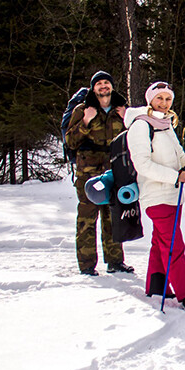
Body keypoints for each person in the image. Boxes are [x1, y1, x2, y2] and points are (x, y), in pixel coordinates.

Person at [125, 81, 185, 312]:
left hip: (173, 194)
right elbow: (142, 164)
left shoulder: (165, 123)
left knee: (161, 241)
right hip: (155, 195)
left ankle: (157, 285)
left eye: (168, 98)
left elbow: (179, 156)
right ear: (150, 99)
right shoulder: (141, 125)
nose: (163, 102)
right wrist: (175, 176)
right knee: (174, 244)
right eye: (159, 98)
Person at [65, 70, 131, 276]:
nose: (103, 86)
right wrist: (85, 121)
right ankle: (86, 265)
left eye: (106, 83)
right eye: (99, 83)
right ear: (93, 88)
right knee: (87, 219)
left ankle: (115, 262)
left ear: (112, 86)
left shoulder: (122, 109)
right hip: (88, 173)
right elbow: (70, 141)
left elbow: (134, 138)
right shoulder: (83, 109)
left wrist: (127, 120)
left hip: (114, 171)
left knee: (112, 217)